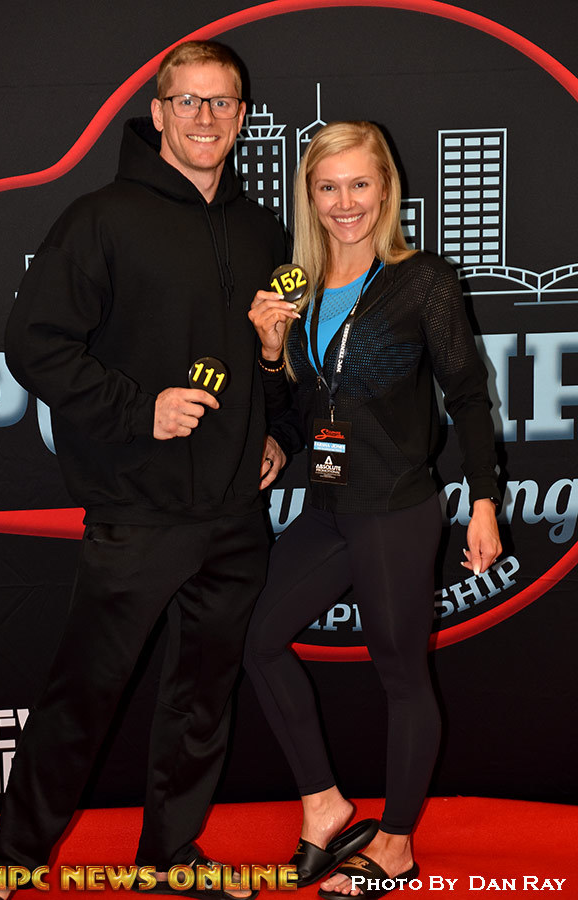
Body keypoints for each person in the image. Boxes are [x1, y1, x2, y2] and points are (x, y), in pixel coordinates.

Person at [0, 40, 288, 899]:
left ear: (242, 116)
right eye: (188, 101)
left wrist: (272, 434)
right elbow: (34, 344)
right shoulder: (102, 218)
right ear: (158, 113)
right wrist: (137, 408)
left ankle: (170, 857)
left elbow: (268, 354)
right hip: (137, 508)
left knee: (202, 699)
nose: (205, 118)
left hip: (236, 514)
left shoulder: (262, 229)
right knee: (83, 698)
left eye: (222, 103)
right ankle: (9, 862)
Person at [245, 121, 502, 899]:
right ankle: (324, 806)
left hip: (395, 510)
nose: (345, 202)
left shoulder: (421, 280)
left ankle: (395, 846)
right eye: (328, 187)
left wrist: (483, 501)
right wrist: (269, 358)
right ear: (310, 195)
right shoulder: (295, 285)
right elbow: (299, 408)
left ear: (386, 189)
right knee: (255, 641)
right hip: (327, 507)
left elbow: (469, 397)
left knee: (401, 676)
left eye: (360, 184)